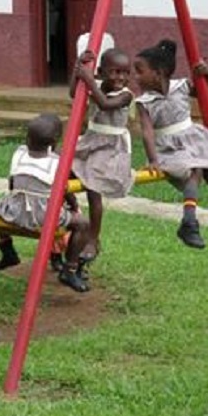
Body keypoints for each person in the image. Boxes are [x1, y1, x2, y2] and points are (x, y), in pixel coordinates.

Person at [134, 39, 208, 248]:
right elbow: (147, 132)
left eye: (140, 71)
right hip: (170, 148)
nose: (136, 77)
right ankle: (189, 221)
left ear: (158, 73)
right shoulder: (144, 102)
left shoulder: (181, 86)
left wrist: (205, 75)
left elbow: (201, 92)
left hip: (194, 140)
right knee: (195, 170)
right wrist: (153, 160)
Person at [0, 114, 91, 293]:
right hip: (45, 217)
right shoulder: (58, 163)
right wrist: (74, 206)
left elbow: (12, 185)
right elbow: (65, 191)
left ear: (27, 139)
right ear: (54, 142)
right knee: (83, 224)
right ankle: (69, 269)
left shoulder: (19, 154)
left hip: (15, 212)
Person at [70, 47, 134, 261]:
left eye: (126, 73)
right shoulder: (95, 84)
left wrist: (88, 80)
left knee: (93, 188)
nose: (121, 77)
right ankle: (72, 210)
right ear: (101, 72)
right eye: (115, 72)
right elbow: (74, 93)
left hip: (110, 149)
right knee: (61, 172)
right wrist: (78, 69)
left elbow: (105, 105)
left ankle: (93, 238)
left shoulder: (125, 95)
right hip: (90, 142)